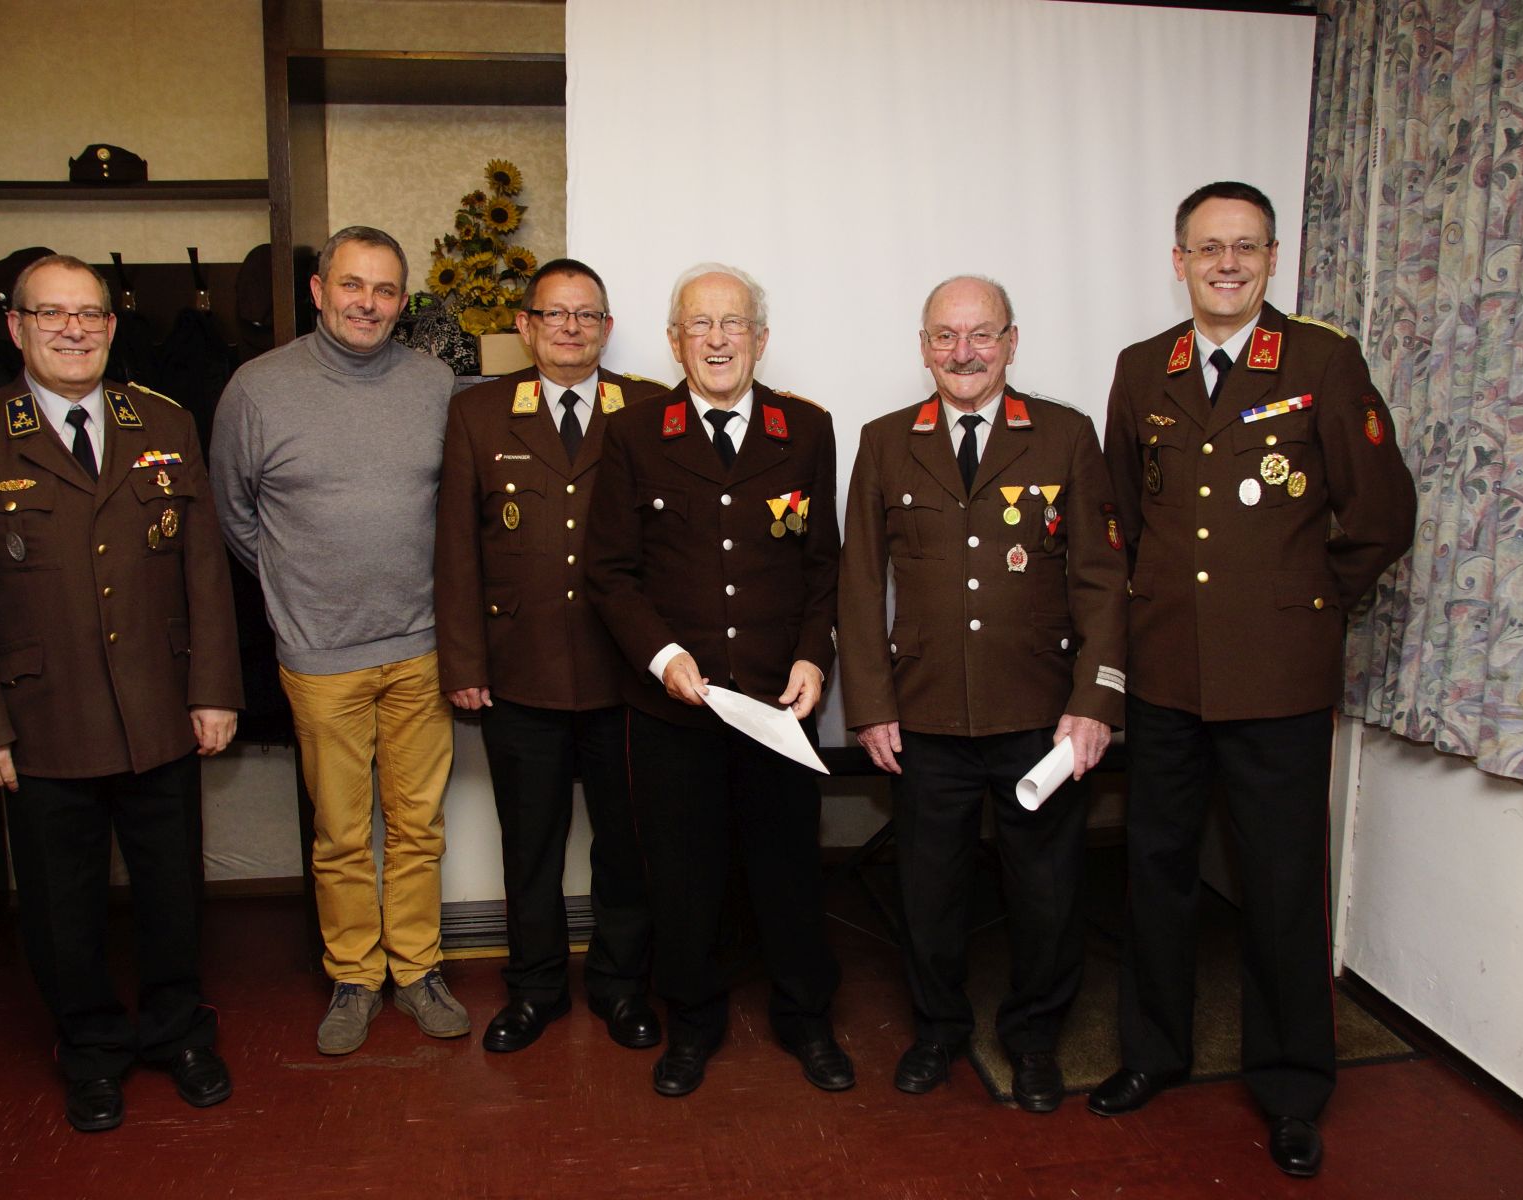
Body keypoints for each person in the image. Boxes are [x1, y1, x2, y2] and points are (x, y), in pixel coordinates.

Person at [1090, 181, 1417, 1176]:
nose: (1226, 264)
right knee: (1156, 874)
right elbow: (1125, 517)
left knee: (1279, 887)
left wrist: (1307, 610)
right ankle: (1153, 1053)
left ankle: (1292, 1087)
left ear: (1273, 259)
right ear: (1179, 261)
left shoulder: (1320, 361)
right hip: (1166, 671)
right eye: (1208, 247)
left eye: (1245, 247)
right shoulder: (1142, 368)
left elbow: (1381, 516)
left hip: (1278, 680)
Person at [0, 254, 243, 1132]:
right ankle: (91, 1050)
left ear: (111, 325)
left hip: (159, 709)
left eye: (89, 314)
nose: (73, 329)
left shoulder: (163, 422)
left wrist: (214, 689)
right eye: (51, 313)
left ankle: (179, 1033)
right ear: (16, 327)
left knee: (173, 891)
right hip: (41, 718)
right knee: (62, 906)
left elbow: (204, 575)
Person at [837, 276, 1128, 1112]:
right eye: (944, 336)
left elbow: (1102, 580)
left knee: (1047, 891)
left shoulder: (1066, 436)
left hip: (1041, 714)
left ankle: (1034, 1039)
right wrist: (871, 705)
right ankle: (937, 1031)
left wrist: (1095, 702)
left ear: (1011, 341)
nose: (962, 353)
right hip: (924, 713)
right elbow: (860, 583)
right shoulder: (886, 442)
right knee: (929, 892)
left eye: (981, 335)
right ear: (924, 345)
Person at [584, 263, 850, 1097]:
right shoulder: (634, 433)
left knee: (789, 874)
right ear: (674, 341)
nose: (718, 339)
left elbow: (823, 564)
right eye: (699, 324)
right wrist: (662, 656)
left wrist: (813, 656)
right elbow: (610, 571)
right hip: (675, 709)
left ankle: (806, 1020)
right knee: (683, 880)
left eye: (733, 323)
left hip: (778, 704)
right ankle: (692, 1025)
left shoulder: (804, 429)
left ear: (760, 338)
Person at [210, 226, 469, 1055]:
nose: (368, 303)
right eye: (352, 285)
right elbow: (234, 515)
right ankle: (355, 977)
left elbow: (457, 506)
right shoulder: (258, 389)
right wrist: (297, 589)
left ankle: (418, 969)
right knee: (343, 834)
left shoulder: (435, 385)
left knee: (419, 826)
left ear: (403, 301)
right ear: (320, 291)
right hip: (319, 655)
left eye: (385, 290)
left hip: (421, 647)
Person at [434, 259, 661, 1053]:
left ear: (607, 328)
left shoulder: (649, 409)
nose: (571, 327)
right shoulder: (479, 413)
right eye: (554, 314)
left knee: (626, 844)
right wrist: (464, 664)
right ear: (525, 326)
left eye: (586, 315)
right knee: (529, 844)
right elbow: (456, 549)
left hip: (625, 676)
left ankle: (622, 985)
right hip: (520, 670)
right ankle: (533, 990)